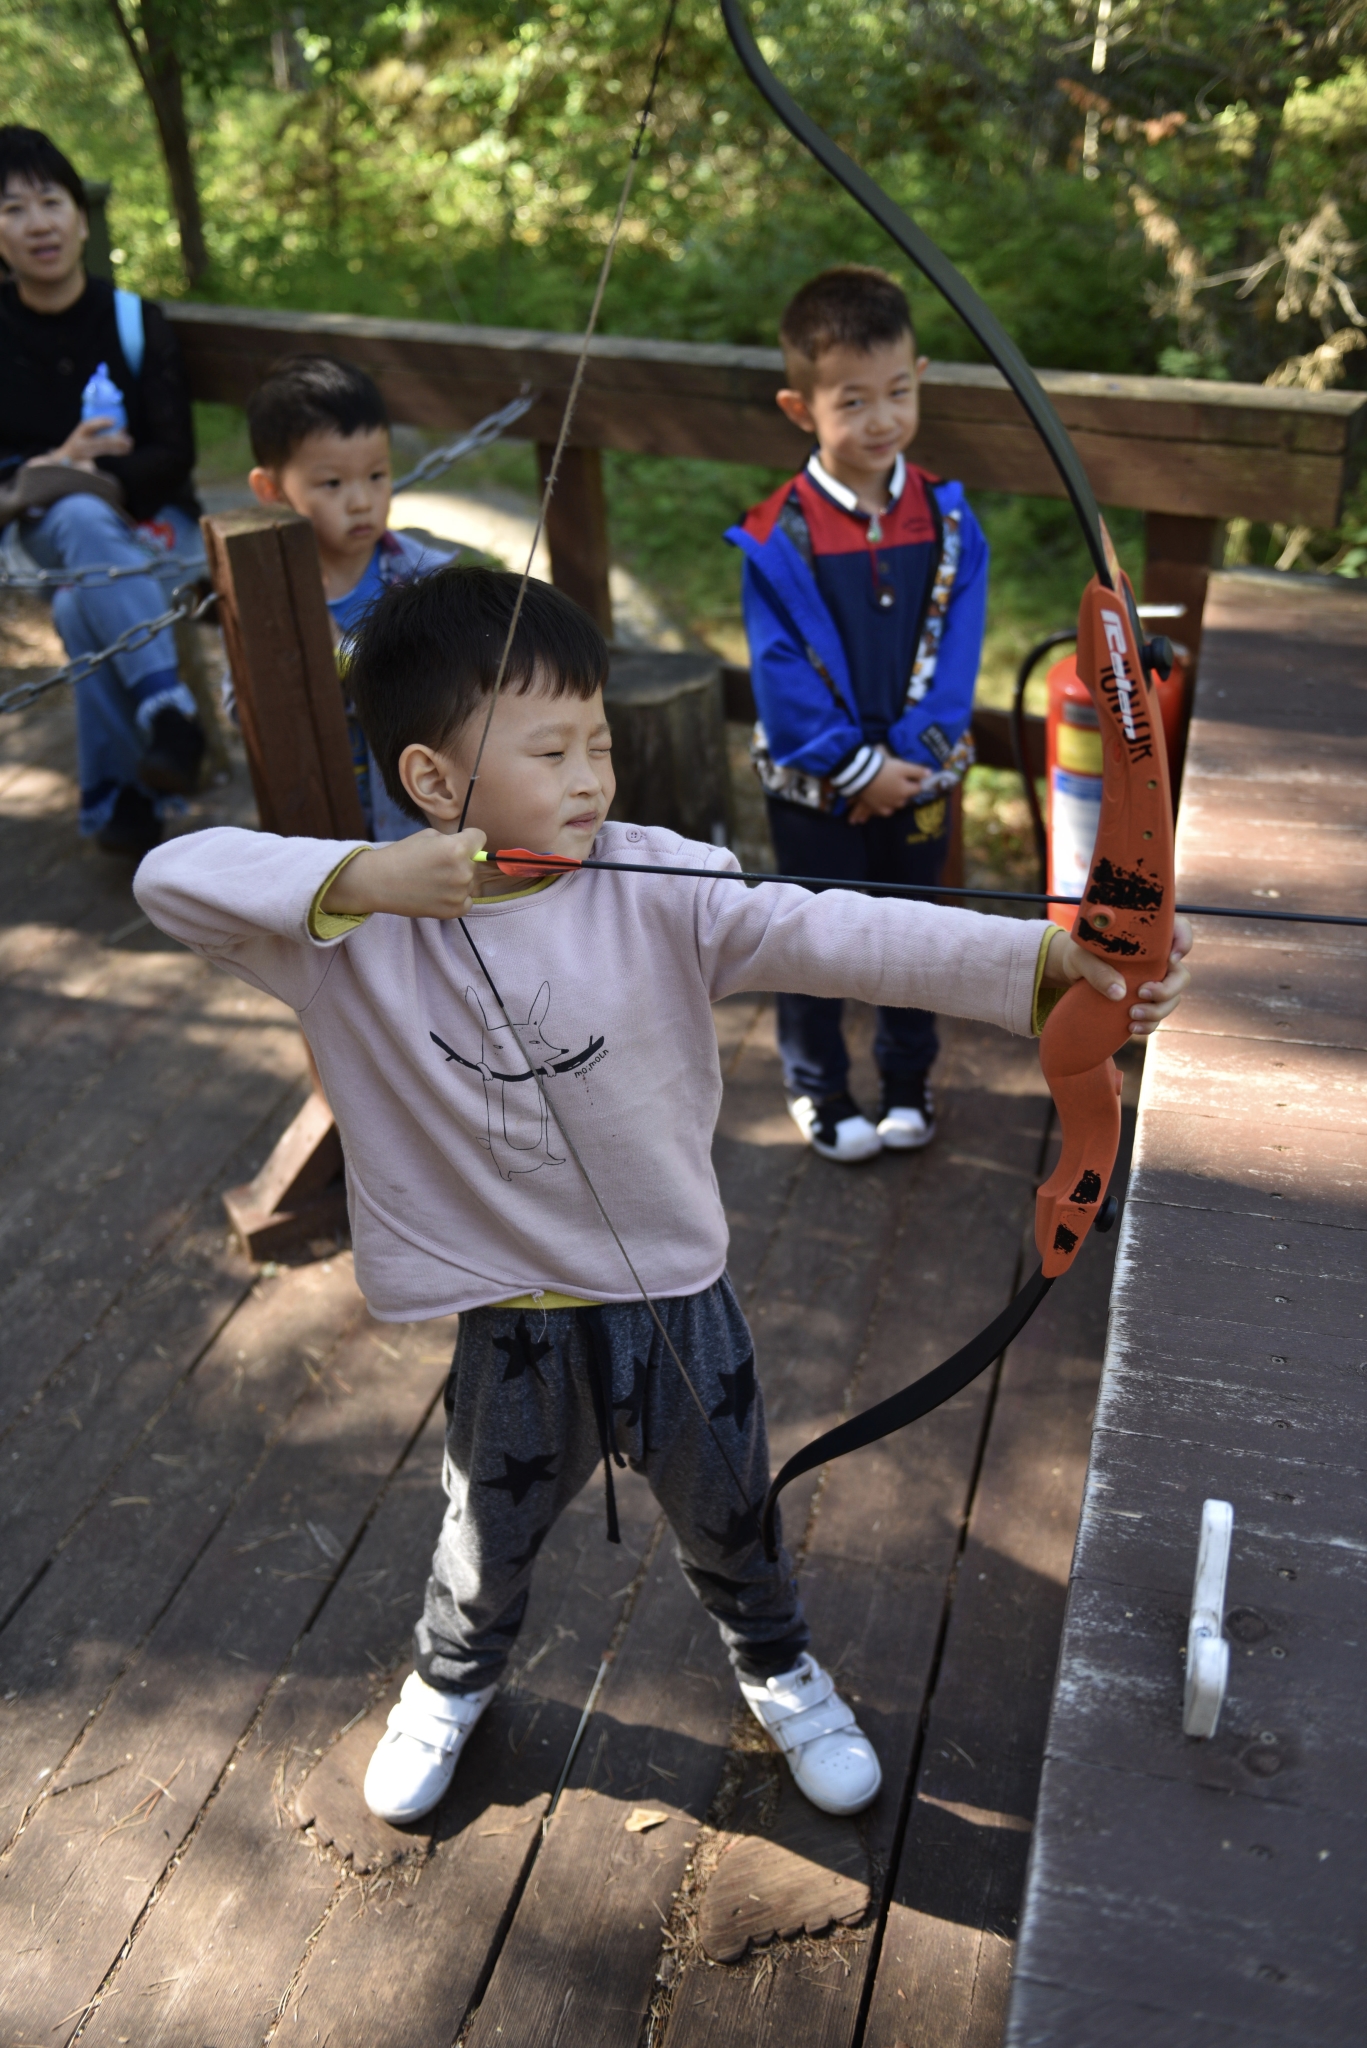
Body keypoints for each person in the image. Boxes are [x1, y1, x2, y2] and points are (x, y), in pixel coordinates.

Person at [132, 566, 1192, 1828]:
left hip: (671, 1297)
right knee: (486, 1534)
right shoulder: (352, 929)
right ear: (429, 779)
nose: (592, 776)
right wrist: (364, 880)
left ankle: (779, 1665)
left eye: (601, 741)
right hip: (509, 1317)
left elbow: (834, 930)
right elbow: (173, 876)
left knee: (731, 1511)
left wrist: (1057, 959)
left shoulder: (659, 883)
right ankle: (449, 1679)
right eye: (551, 747)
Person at [728, 265, 986, 1163]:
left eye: (898, 393)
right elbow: (778, 668)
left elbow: (959, 649)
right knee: (816, 937)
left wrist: (909, 754)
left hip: (918, 771)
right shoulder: (775, 536)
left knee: (915, 928)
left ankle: (908, 1079)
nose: (881, 420)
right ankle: (819, 1087)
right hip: (816, 783)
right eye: (853, 401)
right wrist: (853, 766)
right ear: (800, 408)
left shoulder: (949, 519)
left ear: (919, 377)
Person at [0, 126, 206, 857]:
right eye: (13, 208)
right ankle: (166, 708)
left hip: (154, 523)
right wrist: (58, 464)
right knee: (80, 518)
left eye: (50, 201)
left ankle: (124, 795)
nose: (38, 223)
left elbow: (175, 454)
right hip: (35, 537)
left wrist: (99, 477)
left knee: (85, 601)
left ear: (81, 217)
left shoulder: (132, 319)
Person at [245, 353, 452, 841]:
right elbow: (244, 710)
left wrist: (340, 656)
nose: (361, 501)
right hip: (318, 824)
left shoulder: (423, 577)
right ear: (272, 489)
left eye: (377, 476)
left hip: (419, 824)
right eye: (333, 483)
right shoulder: (271, 599)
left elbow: (440, 691)